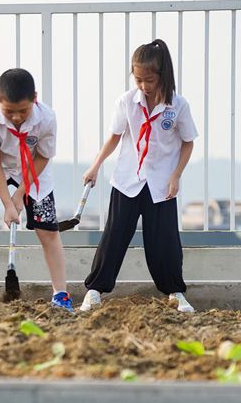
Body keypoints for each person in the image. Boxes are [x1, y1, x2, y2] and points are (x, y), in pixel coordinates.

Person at [79, 39, 197, 313]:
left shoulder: (178, 106)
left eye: (150, 79)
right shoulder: (126, 101)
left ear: (163, 75)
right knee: (114, 235)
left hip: (161, 183)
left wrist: (176, 175)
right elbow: (114, 137)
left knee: (164, 240)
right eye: (138, 79)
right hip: (127, 180)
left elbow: (188, 142)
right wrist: (95, 166)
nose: (144, 85)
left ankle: (175, 292)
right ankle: (94, 291)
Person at [0, 68, 74, 312]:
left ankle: (61, 294)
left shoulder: (47, 118)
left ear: (35, 99)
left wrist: (19, 196)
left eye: (23, 111)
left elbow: (43, 158)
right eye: (9, 112)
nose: (16, 117)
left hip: (33, 168)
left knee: (47, 229)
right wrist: (8, 203)